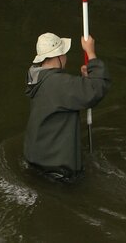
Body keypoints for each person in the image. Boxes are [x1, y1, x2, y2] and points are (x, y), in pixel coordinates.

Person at [24, 32, 110, 182]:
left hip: (35, 161)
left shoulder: (36, 79)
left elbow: (75, 96)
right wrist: (91, 53)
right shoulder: (58, 83)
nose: (66, 57)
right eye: (64, 53)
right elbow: (97, 88)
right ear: (59, 56)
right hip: (56, 170)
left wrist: (85, 81)